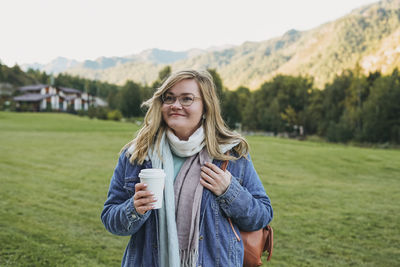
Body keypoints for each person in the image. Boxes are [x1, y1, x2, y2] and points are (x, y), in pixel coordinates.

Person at [101, 69, 273, 267]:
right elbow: (110, 218)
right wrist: (134, 209)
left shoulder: (231, 154)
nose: (175, 105)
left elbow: (262, 215)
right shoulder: (137, 154)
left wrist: (229, 191)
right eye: (169, 98)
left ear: (206, 107)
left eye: (187, 99)